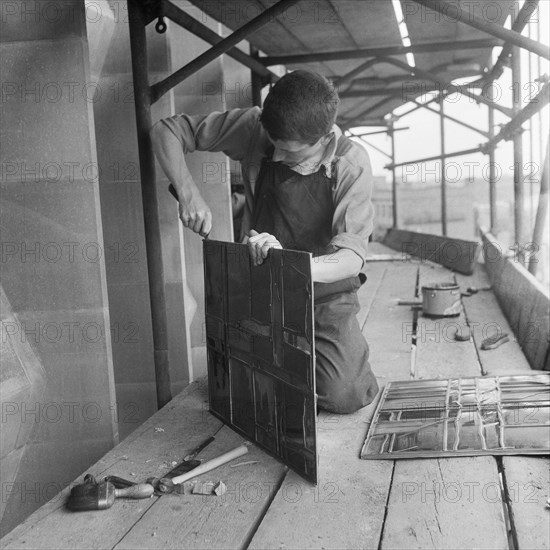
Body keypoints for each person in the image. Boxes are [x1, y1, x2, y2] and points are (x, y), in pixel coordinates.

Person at [151, 70, 379, 414]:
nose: (275, 156)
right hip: (259, 285)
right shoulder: (255, 127)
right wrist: (188, 193)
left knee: (342, 393)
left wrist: (293, 265)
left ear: (323, 138)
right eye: (273, 146)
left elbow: (350, 258)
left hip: (325, 294)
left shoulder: (351, 162)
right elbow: (166, 130)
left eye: (289, 152)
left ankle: (332, 358)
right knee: (234, 393)